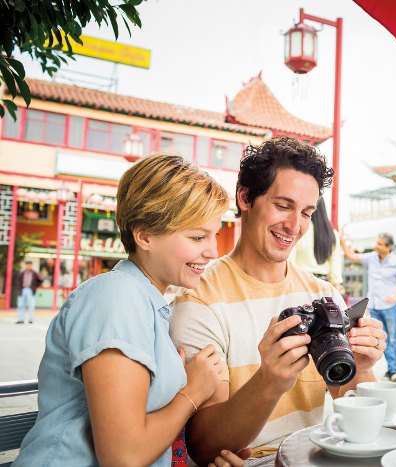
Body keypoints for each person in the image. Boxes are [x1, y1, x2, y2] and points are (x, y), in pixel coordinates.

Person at [13, 154, 251, 467]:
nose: (212, 251)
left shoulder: (146, 303)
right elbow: (123, 456)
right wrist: (192, 391)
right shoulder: (115, 296)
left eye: (214, 235)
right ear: (144, 235)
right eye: (196, 237)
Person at [169, 136, 387, 466]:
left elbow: (357, 415)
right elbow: (203, 446)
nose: (295, 225)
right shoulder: (199, 300)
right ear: (244, 197)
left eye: (306, 212)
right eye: (283, 206)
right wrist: (269, 382)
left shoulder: (323, 295)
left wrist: (361, 368)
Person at [340, 233, 396, 382]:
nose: (376, 246)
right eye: (377, 243)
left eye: (380, 244)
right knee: (379, 339)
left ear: (389, 247)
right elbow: (351, 256)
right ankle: (387, 369)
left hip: (389, 307)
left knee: (392, 338)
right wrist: (341, 241)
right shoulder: (371, 258)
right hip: (374, 306)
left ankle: (393, 370)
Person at [289, 198, 343, 288]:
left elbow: (290, 261)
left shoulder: (300, 230)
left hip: (301, 282)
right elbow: (335, 268)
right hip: (323, 284)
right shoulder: (332, 234)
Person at [15, 259, 43, 324]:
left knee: (31, 305)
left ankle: (30, 319)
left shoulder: (34, 273)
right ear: (26, 265)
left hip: (30, 290)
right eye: (27, 264)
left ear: (31, 265)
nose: (29, 265)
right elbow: (19, 281)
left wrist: (35, 286)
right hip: (23, 289)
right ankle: (20, 319)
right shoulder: (22, 273)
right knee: (21, 305)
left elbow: (41, 279)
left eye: (30, 264)